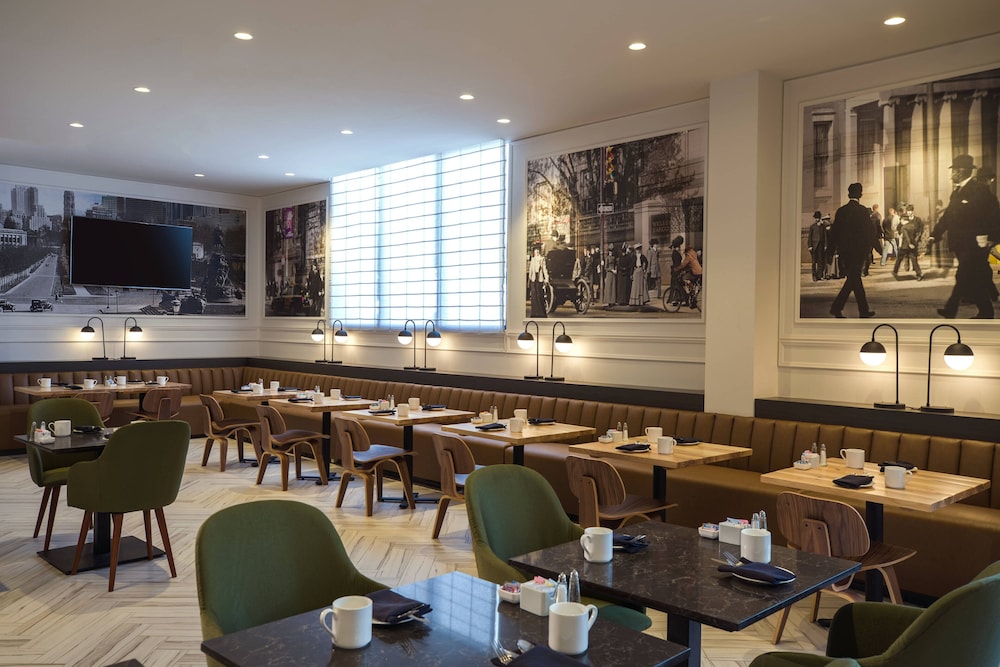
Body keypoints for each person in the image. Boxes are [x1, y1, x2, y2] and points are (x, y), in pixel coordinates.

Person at [928, 155, 1000, 319]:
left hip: (975, 244)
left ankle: (950, 309)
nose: (951, 174)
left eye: (954, 171)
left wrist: (991, 237)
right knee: (974, 277)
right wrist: (934, 235)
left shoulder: (979, 190)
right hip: (961, 243)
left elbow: (994, 214)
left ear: (961, 172)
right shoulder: (956, 193)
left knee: (962, 275)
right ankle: (986, 312)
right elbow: (947, 217)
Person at [829, 182, 877, 318]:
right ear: (860, 194)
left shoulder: (841, 211)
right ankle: (839, 307)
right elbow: (869, 232)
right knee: (854, 279)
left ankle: (860, 310)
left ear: (849, 194)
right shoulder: (862, 211)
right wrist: (878, 248)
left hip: (845, 252)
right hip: (858, 252)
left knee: (854, 279)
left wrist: (830, 251)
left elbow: (834, 233)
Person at [893, 205, 924, 281]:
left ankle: (896, 271)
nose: (909, 213)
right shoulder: (905, 220)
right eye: (908, 211)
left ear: (913, 211)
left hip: (910, 242)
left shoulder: (917, 220)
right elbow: (899, 228)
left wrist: (916, 240)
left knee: (908, 258)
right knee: (907, 258)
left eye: (910, 211)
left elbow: (920, 230)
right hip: (908, 242)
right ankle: (916, 272)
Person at [528, 243, 549, 318]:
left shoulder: (542, 259)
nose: (536, 252)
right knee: (534, 296)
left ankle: (541, 313)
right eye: (535, 251)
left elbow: (544, 269)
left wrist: (546, 278)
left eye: (537, 251)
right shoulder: (533, 259)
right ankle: (534, 313)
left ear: (539, 251)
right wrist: (530, 279)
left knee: (539, 296)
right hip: (533, 279)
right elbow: (531, 270)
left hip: (539, 279)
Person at [807, 211, 825, 281]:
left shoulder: (822, 226)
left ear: (820, 218)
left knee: (820, 261)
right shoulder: (812, 227)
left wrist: (825, 245)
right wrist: (810, 246)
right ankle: (814, 276)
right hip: (814, 246)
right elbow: (809, 237)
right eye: (816, 218)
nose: (817, 219)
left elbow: (825, 236)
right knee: (814, 262)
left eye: (818, 218)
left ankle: (819, 275)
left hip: (821, 245)